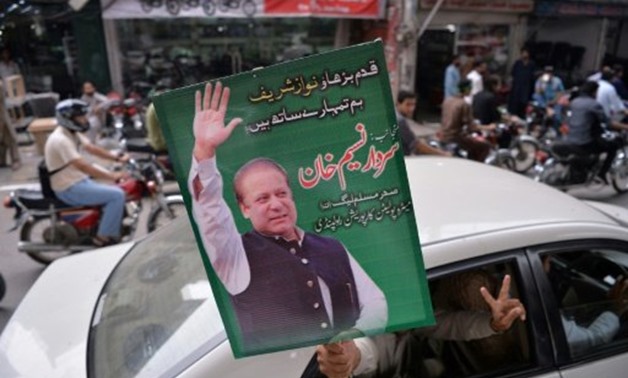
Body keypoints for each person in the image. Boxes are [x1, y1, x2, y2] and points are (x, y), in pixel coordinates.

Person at [188, 82, 388, 352]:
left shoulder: (333, 246)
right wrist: (204, 152)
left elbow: (376, 302)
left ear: (292, 196)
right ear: (244, 209)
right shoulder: (234, 257)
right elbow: (210, 211)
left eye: (281, 193)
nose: (276, 204)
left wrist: (354, 336)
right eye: (262, 198)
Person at [316, 274, 527, 377]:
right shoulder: (370, 330)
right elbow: (366, 352)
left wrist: (493, 324)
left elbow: (454, 325)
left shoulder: (411, 317)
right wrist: (347, 359)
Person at [44, 99, 129, 247]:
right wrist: (112, 176)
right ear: (68, 118)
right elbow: (82, 165)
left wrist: (117, 158)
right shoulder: (60, 139)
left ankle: (102, 224)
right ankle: (103, 238)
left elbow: (92, 148)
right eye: (80, 117)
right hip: (68, 187)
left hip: (77, 179)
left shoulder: (71, 133)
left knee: (114, 188)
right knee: (117, 195)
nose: (85, 119)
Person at [543, 255, 628, 356]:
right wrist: (615, 309)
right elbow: (588, 343)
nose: (550, 267)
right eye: (548, 261)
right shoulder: (537, 312)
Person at [564, 80, 624, 183]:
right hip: (584, 141)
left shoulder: (575, 102)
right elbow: (608, 123)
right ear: (594, 91)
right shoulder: (594, 105)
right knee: (612, 147)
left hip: (570, 137)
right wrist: (625, 127)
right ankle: (601, 174)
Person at [440, 79, 495, 162]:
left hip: (443, 135)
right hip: (455, 138)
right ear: (467, 89)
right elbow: (472, 127)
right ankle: (477, 169)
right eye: (470, 88)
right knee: (485, 146)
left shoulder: (447, 100)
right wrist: (488, 127)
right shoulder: (464, 104)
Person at [396, 91, 449, 157]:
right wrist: (443, 154)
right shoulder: (400, 121)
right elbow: (416, 145)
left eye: (413, 104)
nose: (411, 108)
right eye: (408, 104)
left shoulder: (396, 116)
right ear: (398, 104)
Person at [508, 47, 536, 118]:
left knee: (524, 103)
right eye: (523, 53)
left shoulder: (531, 64)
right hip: (517, 86)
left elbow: (532, 77)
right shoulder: (518, 63)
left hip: (526, 87)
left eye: (526, 53)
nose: (524, 54)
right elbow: (513, 74)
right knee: (515, 102)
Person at [0, 81, 20, 170]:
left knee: (10, 137)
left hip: (1, 113)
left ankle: (16, 159)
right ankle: (1, 161)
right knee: (1, 140)